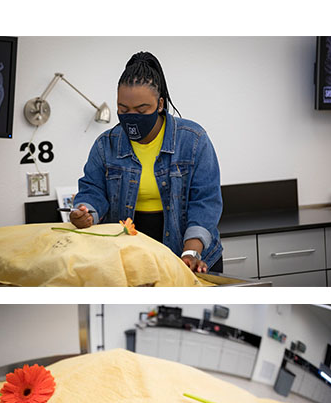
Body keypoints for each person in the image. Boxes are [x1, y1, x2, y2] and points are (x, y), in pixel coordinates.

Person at [70, 51, 223, 273]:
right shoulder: (106, 145)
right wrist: (86, 213)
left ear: (160, 104)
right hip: (131, 257)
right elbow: (93, 190)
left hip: (192, 256)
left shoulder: (193, 139)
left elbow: (205, 202)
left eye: (142, 110)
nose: (131, 117)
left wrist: (191, 252)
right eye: (123, 110)